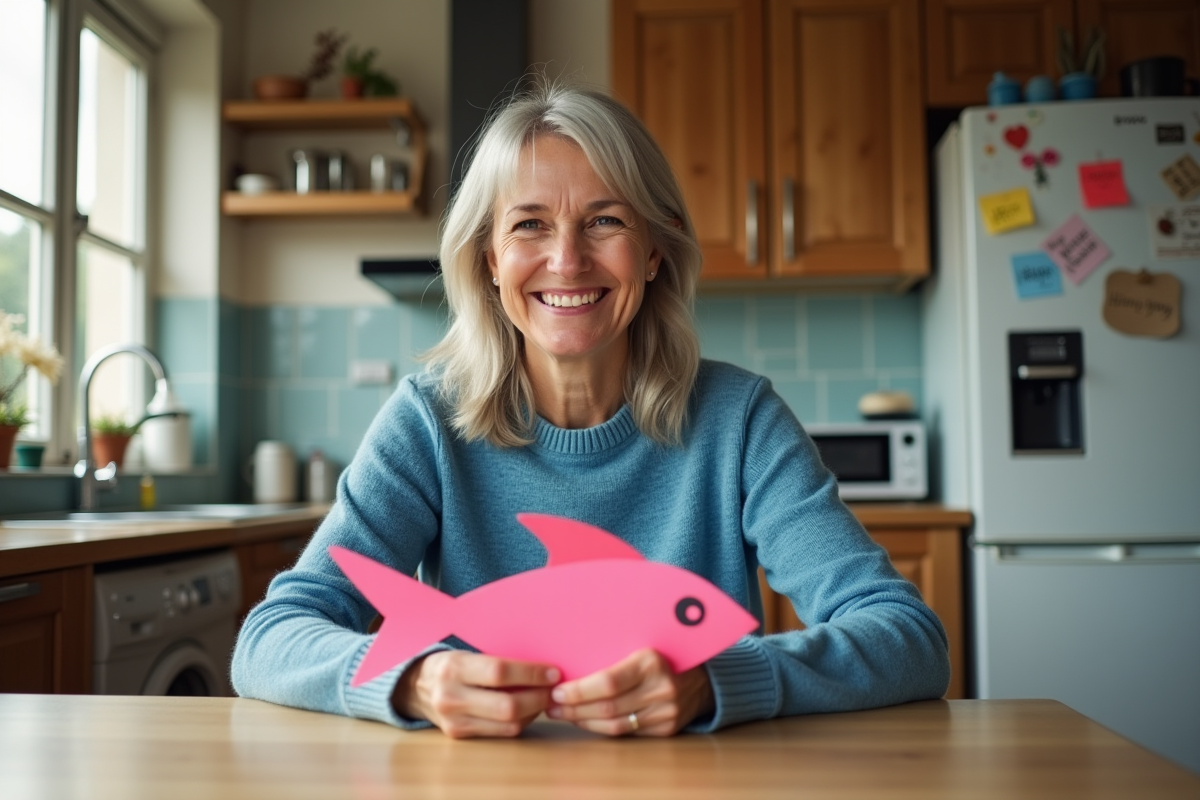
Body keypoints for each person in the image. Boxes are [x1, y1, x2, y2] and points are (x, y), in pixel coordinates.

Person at [231, 81, 950, 739]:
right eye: (529, 225)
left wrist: (718, 682)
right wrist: (414, 680)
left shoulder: (739, 420)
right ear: (488, 258)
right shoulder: (427, 419)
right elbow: (271, 637)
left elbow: (909, 639)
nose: (567, 260)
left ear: (654, 252)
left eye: (604, 221)